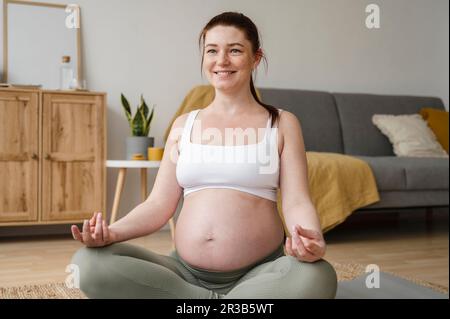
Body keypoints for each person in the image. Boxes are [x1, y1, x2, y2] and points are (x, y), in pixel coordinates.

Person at [71, 11, 337, 299]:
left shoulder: (282, 123)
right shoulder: (184, 125)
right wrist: (111, 233)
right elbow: (159, 204)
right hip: (183, 273)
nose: (221, 61)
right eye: (212, 50)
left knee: (317, 276)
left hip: (262, 273)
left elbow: (297, 201)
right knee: (87, 264)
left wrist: (312, 239)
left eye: (235, 50)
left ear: (255, 58)